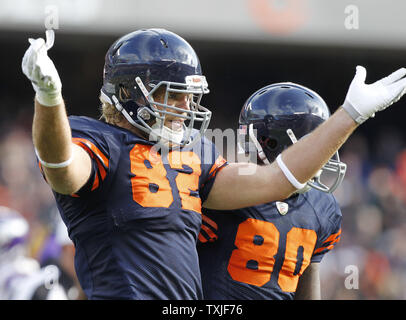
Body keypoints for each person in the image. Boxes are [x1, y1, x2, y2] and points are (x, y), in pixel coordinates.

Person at [21, 27, 406, 299]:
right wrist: (49, 96)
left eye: (190, 96)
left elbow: (279, 179)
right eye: (174, 95)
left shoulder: (193, 155)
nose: (188, 107)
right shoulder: (101, 142)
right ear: (128, 94)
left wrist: (349, 114)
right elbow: (62, 167)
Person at [198, 83, 346, 299]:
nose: (320, 155)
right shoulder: (228, 192)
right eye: (313, 145)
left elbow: (307, 283)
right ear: (273, 143)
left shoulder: (323, 207)